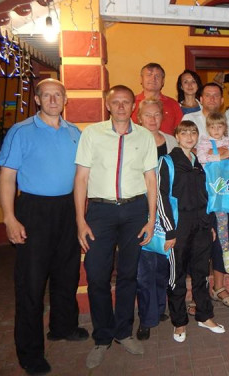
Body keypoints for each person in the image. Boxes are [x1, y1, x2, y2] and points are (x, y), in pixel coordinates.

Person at [0, 78, 88, 375]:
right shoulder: (21, 131)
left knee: (67, 273)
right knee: (31, 283)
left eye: (57, 95)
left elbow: (81, 177)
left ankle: (63, 327)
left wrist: (80, 216)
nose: (52, 100)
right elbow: (7, 177)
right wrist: (10, 218)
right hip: (34, 210)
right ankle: (30, 353)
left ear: (65, 99)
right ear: (36, 100)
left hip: (67, 208)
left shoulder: (74, 132)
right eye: (46, 95)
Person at [74, 85, 161, 369]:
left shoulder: (144, 136)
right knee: (97, 275)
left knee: (128, 274)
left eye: (126, 102)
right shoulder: (92, 134)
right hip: (100, 212)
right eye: (116, 102)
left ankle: (123, 332)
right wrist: (80, 220)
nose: (121, 106)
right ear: (108, 105)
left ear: (133, 107)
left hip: (134, 211)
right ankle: (102, 337)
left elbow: (151, 180)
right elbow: (81, 178)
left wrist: (151, 219)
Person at [164, 120, 226, 343]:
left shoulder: (199, 162)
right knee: (177, 275)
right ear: (176, 136)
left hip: (201, 225)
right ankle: (179, 321)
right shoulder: (168, 162)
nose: (189, 137)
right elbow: (162, 197)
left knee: (201, 273)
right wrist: (170, 231)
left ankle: (205, 316)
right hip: (179, 226)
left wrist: (209, 225)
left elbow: (206, 195)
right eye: (184, 133)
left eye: (193, 132)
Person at [182, 82, 229, 309]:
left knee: (224, 235)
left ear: (222, 100)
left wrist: (226, 153)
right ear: (201, 98)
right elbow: (191, 150)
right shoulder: (191, 119)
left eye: (217, 95)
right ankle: (199, 292)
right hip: (200, 187)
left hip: (224, 187)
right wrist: (217, 153)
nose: (213, 98)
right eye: (208, 95)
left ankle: (219, 286)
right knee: (200, 239)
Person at [134, 98, 178, 341]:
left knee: (163, 264)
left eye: (157, 115)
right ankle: (147, 318)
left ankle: (159, 308)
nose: (152, 119)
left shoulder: (171, 141)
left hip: (167, 211)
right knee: (145, 268)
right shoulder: (133, 141)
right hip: (141, 209)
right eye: (147, 115)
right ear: (139, 118)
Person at [196, 112, 229, 274]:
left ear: (225, 127)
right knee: (222, 222)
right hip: (217, 190)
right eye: (213, 127)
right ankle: (225, 252)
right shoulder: (204, 143)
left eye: (219, 126)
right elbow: (201, 158)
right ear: (208, 128)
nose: (216, 130)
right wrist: (221, 156)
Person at [131, 62, 183, 134]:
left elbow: (180, 132)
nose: (153, 79)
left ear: (163, 81)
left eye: (157, 76)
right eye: (149, 75)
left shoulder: (173, 104)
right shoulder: (130, 102)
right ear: (141, 79)